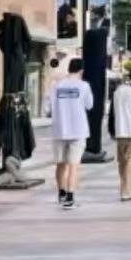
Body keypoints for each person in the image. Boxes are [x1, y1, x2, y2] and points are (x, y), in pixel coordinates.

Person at [49, 58, 93, 209]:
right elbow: (90, 105)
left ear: (69, 69)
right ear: (81, 71)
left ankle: (61, 193)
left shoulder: (56, 86)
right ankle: (70, 197)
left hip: (59, 129)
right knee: (74, 165)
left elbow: (50, 108)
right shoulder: (84, 86)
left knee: (61, 164)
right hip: (78, 130)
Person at [109, 72, 131, 201]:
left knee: (122, 162)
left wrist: (112, 130)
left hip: (120, 131)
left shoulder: (117, 91)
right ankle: (128, 191)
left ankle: (124, 189)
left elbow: (112, 113)